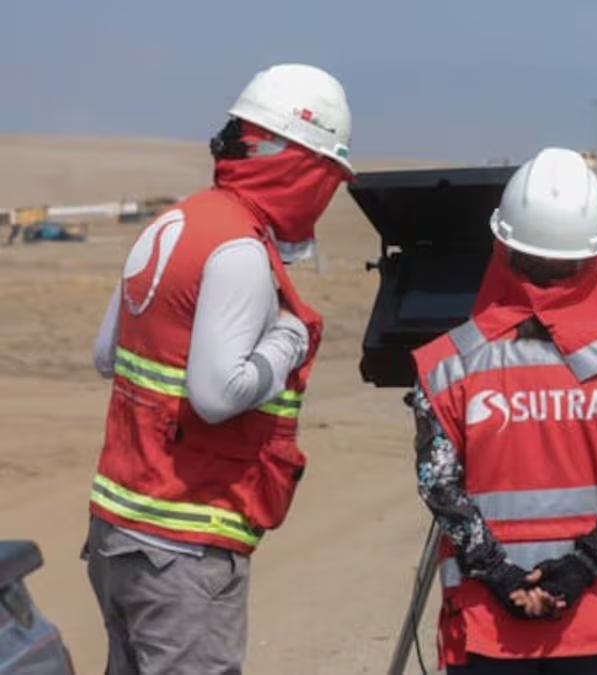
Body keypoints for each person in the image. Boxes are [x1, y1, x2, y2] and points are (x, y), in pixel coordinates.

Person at [82, 63, 354, 674]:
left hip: (117, 531)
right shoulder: (238, 250)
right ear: (301, 165)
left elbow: (107, 355)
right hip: (181, 541)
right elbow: (215, 394)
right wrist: (287, 340)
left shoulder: (175, 221)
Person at [406, 147, 597, 674]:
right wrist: (579, 571)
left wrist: (501, 575)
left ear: (502, 248)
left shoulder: (447, 367)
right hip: (593, 622)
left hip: (488, 625)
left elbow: (440, 487)